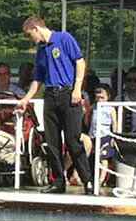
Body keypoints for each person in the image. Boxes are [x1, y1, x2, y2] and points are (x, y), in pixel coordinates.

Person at [18, 16, 89, 194]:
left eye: (29, 35)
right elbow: (38, 78)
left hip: (67, 92)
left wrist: (77, 88)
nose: (31, 39)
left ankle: (87, 179)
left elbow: (79, 61)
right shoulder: (41, 50)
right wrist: (26, 98)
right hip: (50, 94)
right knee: (52, 141)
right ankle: (58, 180)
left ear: (36, 28)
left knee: (73, 140)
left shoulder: (64, 38)